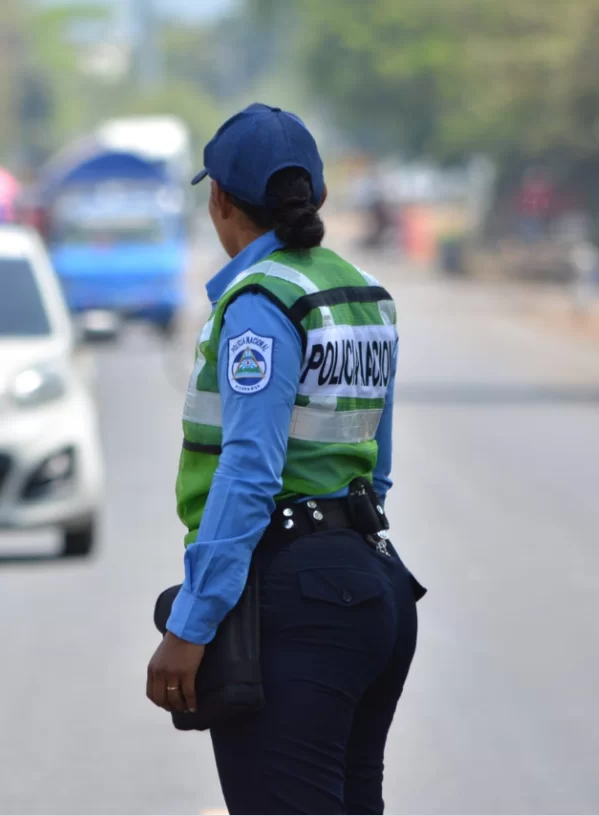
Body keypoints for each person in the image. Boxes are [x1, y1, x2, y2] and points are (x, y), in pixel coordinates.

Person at [145, 104, 425, 814]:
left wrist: (192, 626)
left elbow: (249, 472)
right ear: (319, 196)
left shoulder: (261, 301)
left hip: (297, 602)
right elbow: (377, 464)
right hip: (373, 583)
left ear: (219, 201)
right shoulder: (361, 293)